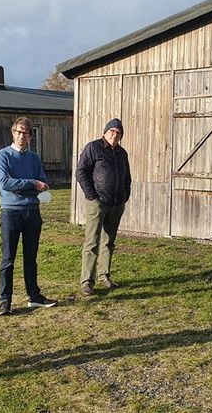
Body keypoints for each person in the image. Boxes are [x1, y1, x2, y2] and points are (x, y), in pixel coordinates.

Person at [0, 117, 57, 316]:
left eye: (26, 133)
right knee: (8, 259)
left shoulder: (34, 158)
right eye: (19, 132)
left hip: (32, 212)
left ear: (31, 136)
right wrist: (32, 184)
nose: (22, 136)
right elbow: (5, 182)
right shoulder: (2, 155)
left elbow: (44, 183)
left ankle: (34, 296)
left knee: (31, 257)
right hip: (11, 213)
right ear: (13, 132)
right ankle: (5, 300)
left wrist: (31, 186)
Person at [76, 118, 132, 296]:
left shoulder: (122, 153)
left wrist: (124, 195)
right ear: (105, 132)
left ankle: (104, 276)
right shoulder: (93, 148)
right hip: (97, 203)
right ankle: (87, 281)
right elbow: (81, 172)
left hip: (116, 204)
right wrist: (92, 195)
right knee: (92, 242)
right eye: (112, 131)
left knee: (108, 242)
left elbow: (127, 178)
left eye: (118, 133)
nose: (115, 135)